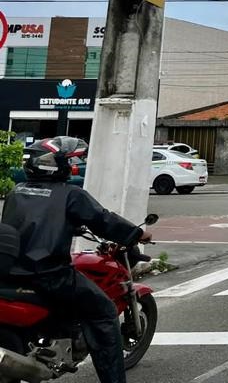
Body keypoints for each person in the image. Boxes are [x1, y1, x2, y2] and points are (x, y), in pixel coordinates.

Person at [0, 136, 152, 383]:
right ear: (55, 165)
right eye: (67, 162)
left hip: (10, 273)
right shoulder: (71, 195)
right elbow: (103, 220)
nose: (70, 166)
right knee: (104, 313)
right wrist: (137, 233)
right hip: (49, 275)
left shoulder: (16, 191)